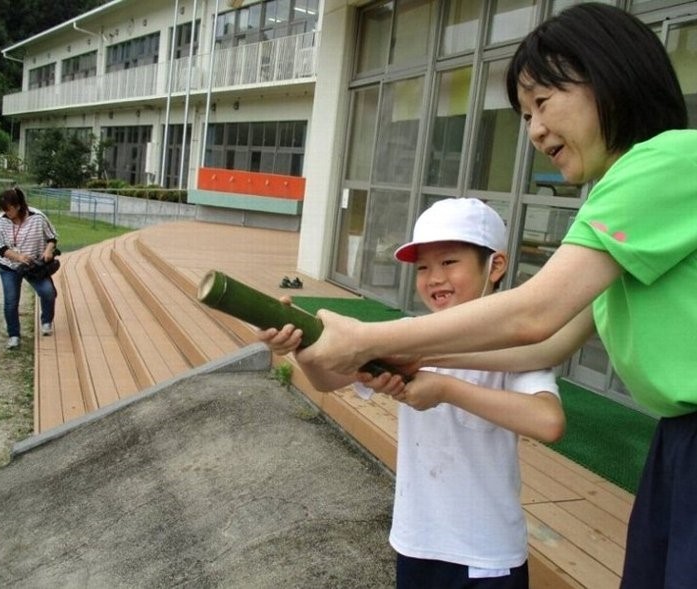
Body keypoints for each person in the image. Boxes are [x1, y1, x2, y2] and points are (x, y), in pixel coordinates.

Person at [297, 5, 694, 588]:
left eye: (542, 102)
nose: (532, 130)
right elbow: (548, 344)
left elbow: (534, 315)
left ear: (609, 76)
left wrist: (368, 338)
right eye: (524, 113)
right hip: (678, 440)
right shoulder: (626, 196)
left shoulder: (668, 162)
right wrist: (420, 359)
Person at [261, 198, 565, 588]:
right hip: (416, 542)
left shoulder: (514, 346)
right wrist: (300, 347)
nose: (434, 277)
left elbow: (548, 420)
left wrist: (445, 389)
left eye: (449, 262)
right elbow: (326, 380)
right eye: (423, 267)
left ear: (496, 266)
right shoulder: (405, 335)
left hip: (486, 554)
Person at [0, 187, 59, 349]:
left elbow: (52, 237)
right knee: (11, 302)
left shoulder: (38, 218)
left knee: (48, 293)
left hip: (33, 266)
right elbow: (0, 248)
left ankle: (47, 321)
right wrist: (18, 257)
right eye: (3, 210)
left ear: (18, 206)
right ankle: (14, 335)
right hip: (9, 266)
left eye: (8, 209)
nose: (6, 213)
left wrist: (48, 251)